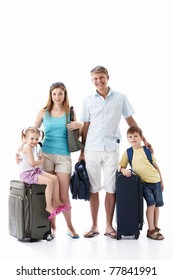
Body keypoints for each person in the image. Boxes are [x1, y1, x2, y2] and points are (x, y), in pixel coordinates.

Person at [80, 65, 151, 239]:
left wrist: (144, 139)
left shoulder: (120, 98)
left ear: (108, 77)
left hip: (111, 149)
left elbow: (130, 121)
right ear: (92, 81)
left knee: (111, 189)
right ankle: (94, 225)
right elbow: (85, 127)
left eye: (101, 77)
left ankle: (108, 226)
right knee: (93, 189)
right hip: (92, 149)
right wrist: (82, 151)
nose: (99, 81)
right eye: (95, 79)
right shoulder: (87, 100)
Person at [33, 82, 82, 238]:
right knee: (50, 194)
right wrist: (22, 150)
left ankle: (70, 226)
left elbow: (78, 136)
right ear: (50, 95)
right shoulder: (43, 112)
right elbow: (32, 132)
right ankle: (52, 228)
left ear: (64, 95)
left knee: (63, 194)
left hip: (63, 156)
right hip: (45, 154)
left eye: (60, 93)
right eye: (54, 94)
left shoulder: (70, 112)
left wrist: (79, 125)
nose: (57, 97)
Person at [119, 126, 164, 240]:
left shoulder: (147, 150)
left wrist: (161, 181)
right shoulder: (128, 152)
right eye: (130, 137)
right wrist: (124, 170)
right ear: (127, 139)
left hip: (156, 181)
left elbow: (155, 166)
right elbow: (121, 166)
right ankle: (151, 229)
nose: (133, 138)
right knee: (151, 204)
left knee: (157, 205)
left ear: (141, 137)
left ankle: (155, 227)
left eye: (135, 136)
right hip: (143, 184)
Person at [18, 126, 71, 220]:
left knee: (55, 178)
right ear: (25, 138)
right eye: (32, 138)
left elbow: (30, 161)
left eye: (36, 139)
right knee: (50, 182)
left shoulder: (29, 145)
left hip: (33, 171)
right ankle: (49, 206)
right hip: (27, 174)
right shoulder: (28, 147)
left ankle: (57, 202)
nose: (34, 141)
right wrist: (41, 161)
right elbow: (32, 163)